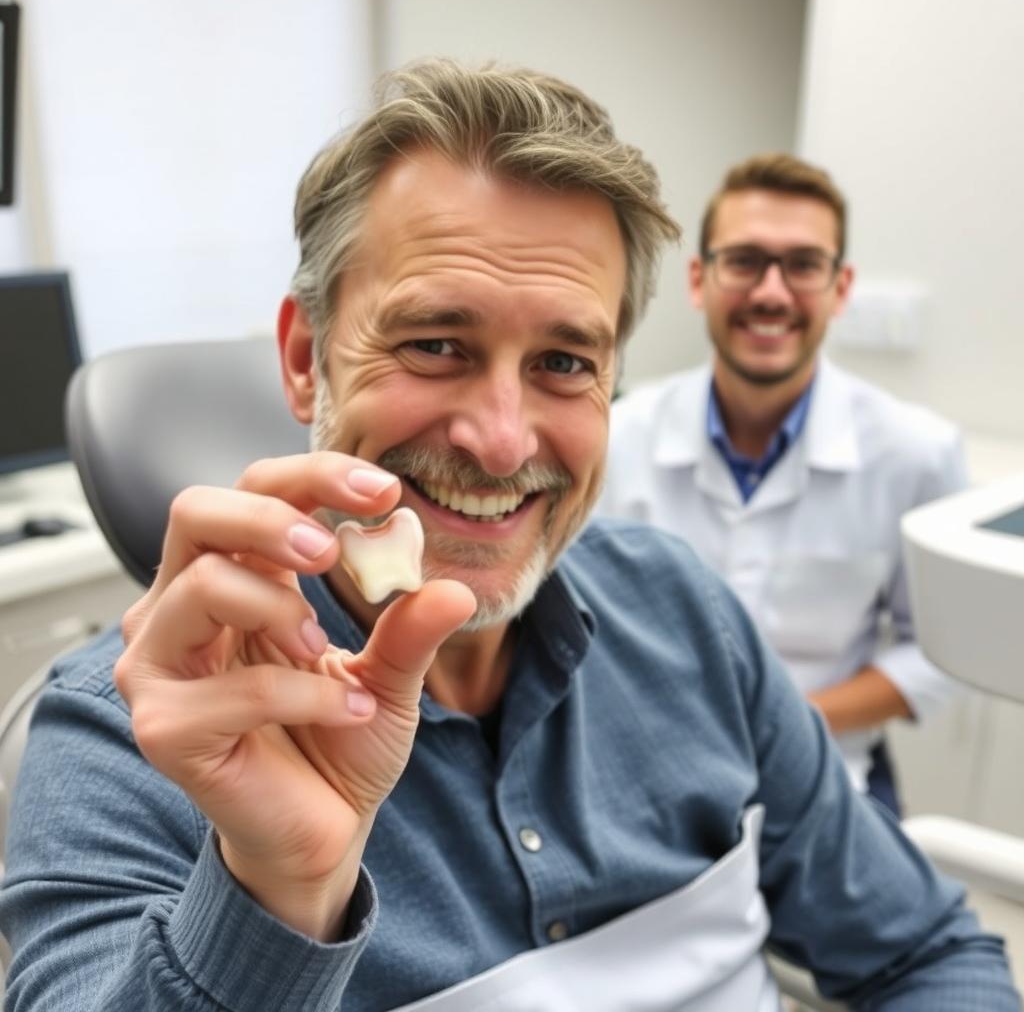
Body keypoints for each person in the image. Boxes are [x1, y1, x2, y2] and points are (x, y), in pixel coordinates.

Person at [0, 61, 1017, 1012]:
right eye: (436, 344)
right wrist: (274, 891)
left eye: (565, 364)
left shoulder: (683, 616)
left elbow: (924, 952)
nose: (498, 442)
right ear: (308, 359)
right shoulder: (131, 735)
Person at [598, 154, 968, 816]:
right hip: (640, 767)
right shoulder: (618, 437)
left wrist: (788, 725)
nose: (772, 292)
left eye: (802, 265)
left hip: (829, 767)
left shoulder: (916, 452)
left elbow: (941, 651)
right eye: (744, 261)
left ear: (840, 287)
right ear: (698, 279)